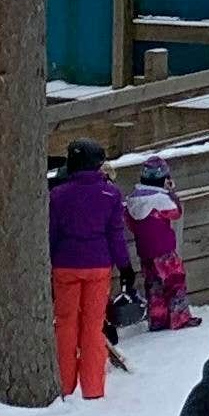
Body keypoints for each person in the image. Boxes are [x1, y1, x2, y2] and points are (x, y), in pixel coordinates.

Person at [46, 139, 130, 400]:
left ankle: (64, 385)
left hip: (65, 265)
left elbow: (51, 234)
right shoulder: (110, 194)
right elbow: (116, 233)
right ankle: (93, 388)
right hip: (98, 264)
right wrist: (125, 266)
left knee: (65, 324)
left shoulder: (57, 195)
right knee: (93, 327)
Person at [125, 158, 195, 332]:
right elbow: (176, 212)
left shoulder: (133, 200)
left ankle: (158, 319)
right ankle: (180, 318)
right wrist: (171, 192)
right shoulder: (161, 199)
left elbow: (130, 223)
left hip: (145, 250)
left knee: (153, 285)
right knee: (175, 281)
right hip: (164, 249)